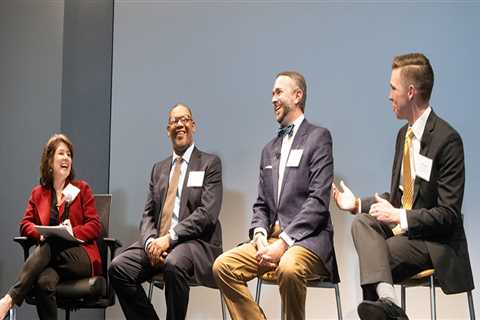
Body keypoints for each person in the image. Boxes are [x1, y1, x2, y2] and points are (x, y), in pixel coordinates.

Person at [332, 53, 474, 320]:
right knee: (362, 222)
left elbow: (448, 215)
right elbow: (399, 198)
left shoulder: (447, 140)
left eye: (392, 88)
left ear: (410, 92)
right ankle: (389, 303)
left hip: (434, 241)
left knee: (379, 254)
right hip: (407, 233)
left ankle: (386, 310)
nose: (388, 95)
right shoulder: (404, 136)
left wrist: (400, 216)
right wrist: (357, 204)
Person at [213, 71, 338, 320]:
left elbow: (318, 203)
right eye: (272, 93)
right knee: (223, 266)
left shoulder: (318, 138)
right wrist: (260, 235)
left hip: (307, 242)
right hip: (270, 240)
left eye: (278, 92)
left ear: (298, 95)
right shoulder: (269, 150)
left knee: (289, 267)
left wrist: (283, 243)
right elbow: (261, 204)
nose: (273, 99)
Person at [109, 103, 223, 320]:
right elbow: (148, 215)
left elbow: (207, 214)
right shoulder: (158, 169)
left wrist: (169, 239)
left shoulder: (209, 164)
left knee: (173, 262)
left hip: (195, 244)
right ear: (167, 129)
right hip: (158, 244)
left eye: (185, 119)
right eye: (174, 121)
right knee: (118, 267)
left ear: (193, 126)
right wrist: (151, 241)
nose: (179, 125)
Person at [0, 133, 102, 320]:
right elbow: (25, 224)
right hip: (51, 258)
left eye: (69, 154)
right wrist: (39, 235)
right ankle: (11, 298)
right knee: (43, 282)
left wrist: (72, 232)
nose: (66, 158)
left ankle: (9, 299)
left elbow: (95, 226)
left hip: (81, 256)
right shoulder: (38, 193)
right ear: (49, 161)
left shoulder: (82, 189)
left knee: (52, 242)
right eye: (61, 153)